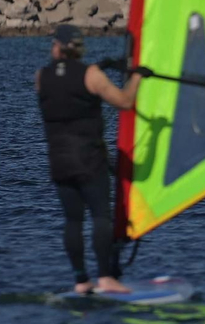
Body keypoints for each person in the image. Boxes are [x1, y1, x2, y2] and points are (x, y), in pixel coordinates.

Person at [36, 23, 141, 295]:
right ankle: (105, 277)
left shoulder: (41, 77)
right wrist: (138, 76)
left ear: (59, 47)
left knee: (73, 221)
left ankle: (81, 280)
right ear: (78, 47)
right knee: (101, 218)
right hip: (89, 160)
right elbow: (125, 101)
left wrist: (101, 67)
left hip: (59, 162)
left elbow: (68, 82)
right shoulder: (91, 76)